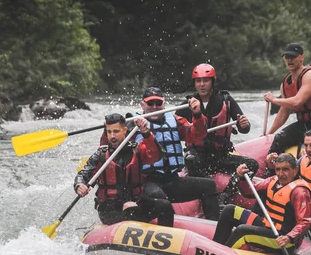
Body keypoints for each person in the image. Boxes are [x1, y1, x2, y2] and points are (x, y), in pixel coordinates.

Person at [133, 87, 221, 220]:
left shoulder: (175, 121)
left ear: (164, 104)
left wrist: (197, 114)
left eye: (159, 103)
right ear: (142, 105)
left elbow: (197, 136)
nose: (155, 107)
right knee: (160, 198)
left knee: (209, 185)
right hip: (146, 183)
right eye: (150, 104)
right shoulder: (132, 126)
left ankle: (215, 228)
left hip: (172, 179)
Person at [177, 63, 260, 204]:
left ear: (213, 82)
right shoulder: (187, 104)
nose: (202, 84)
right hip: (198, 156)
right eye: (198, 81)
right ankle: (205, 193)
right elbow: (172, 129)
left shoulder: (226, 100)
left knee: (252, 164)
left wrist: (244, 125)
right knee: (191, 159)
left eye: (206, 80)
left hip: (220, 156)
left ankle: (226, 195)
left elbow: (244, 128)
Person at [74, 113, 174, 227]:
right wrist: (79, 185)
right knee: (130, 208)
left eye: (116, 131)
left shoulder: (136, 150)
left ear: (125, 130)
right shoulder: (100, 155)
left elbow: (156, 155)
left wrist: (146, 132)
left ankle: (167, 239)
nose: (112, 136)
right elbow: (84, 174)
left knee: (165, 206)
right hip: (109, 209)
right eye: (109, 132)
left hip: (136, 202)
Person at [211, 153, 311, 253]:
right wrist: (241, 178)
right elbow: (249, 192)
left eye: (285, 169)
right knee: (230, 210)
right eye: (278, 169)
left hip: (283, 239)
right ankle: (215, 248)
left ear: (295, 170)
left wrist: (289, 237)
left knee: (243, 231)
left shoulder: (300, 192)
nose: (281, 174)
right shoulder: (273, 180)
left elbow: (304, 222)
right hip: (267, 225)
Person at [263, 43, 311, 163]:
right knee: (279, 138)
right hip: (305, 124)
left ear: (302, 57)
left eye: (293, 57)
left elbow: (297, 102)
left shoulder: (310, 75)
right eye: (287, 57)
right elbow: (283, 112)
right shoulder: (285, 83)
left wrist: (274, 100)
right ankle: (270, 173)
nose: (290, 60)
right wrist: (269, 133)